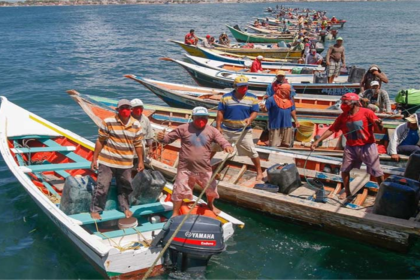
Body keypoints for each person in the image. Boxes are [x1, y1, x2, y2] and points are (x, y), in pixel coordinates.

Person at [157, 107, 233, 217]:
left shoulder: (212, 130)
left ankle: (211, 205)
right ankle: (175, 213)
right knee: (179, 191)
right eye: (198, 117)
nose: (201, 119)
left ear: (207, 118)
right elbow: (167, 140)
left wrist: (227, 146)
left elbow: (222, 140)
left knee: (211, 189)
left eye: (204, 117)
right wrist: (161, 138)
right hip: (185, 168)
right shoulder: (183, 128)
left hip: (204, 168)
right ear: (193, 117)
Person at [311, 93, 384, 200]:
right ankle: (348, 192)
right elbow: (332, 129)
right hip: (351, 147)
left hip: (367, 146)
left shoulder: (367, 112)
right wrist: (318, 141)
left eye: (345, 102)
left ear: (354, 103)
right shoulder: (343, 116)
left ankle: (382, 192)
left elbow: (379, 128)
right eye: (342, 102)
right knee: (344, 170)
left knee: (376, 171)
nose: (343, 105)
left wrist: (379, 124)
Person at [90, 99, 144, 220]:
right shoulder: (108, 122)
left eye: (127, 108)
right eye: (122, 108)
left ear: (131, 110)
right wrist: (95, 159)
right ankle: (96, 209)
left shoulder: (136, 125)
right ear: (117, 110)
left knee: (126, 187)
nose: (125, 110)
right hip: (107, 161)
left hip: (126, 163)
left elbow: (138, 144)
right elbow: (100, 140)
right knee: (102, 187)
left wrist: (141, 161)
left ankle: (125, 208)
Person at [215, 75, 263, 181]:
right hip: (226, 129)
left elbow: (255, 111)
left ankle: (259, 172)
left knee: (251, 151)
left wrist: (250, 119)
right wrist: (218, 126)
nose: (244, 88)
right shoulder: (226, 97)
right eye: (241, 86)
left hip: (243, 131)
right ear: (235, 86)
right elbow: (220, 112)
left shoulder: (252, 98)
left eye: (245, 86)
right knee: (212, 147)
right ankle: (204, 168)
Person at [260, 77, 300, 147]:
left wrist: (296, 120)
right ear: (284, 91)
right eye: (289, 91)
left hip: (287, 125)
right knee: (274, 144)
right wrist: (263, 108)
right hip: (275, 126)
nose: (290, 93)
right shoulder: (271, 99)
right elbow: (266, 110)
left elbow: (292, 110)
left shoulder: (290, 100)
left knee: (286, 144)